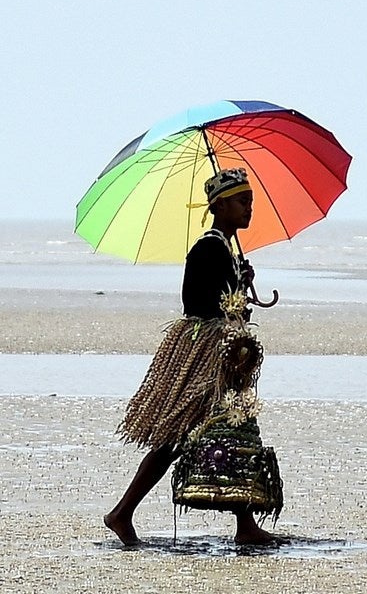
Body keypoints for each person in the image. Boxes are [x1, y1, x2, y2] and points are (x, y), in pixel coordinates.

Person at [103, 167, 281, 546]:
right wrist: (234, 300)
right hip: (205, 352)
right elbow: (198, 304)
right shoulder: (208, 249)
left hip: (220, 352)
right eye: (241, 202)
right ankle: (122, 512)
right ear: (219, 205)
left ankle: (244, 524)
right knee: (184, 433)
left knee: (233, 430)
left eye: (250, 202)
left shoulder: (225, 250)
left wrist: (240, 283)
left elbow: (227, 304)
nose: (249, 209)